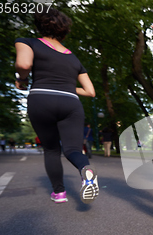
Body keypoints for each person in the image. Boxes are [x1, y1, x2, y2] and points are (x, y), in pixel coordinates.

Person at [15, 8, 99, 204]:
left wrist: (21, 79)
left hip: (41, 99)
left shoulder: (27, 42)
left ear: (39, 24)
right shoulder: (73, 57)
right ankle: (86, 171)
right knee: (73, 150)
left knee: (51, 149)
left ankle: (59, 193)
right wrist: (68, 87)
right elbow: (90, 91)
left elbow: (24, 65)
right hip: (70, 103)